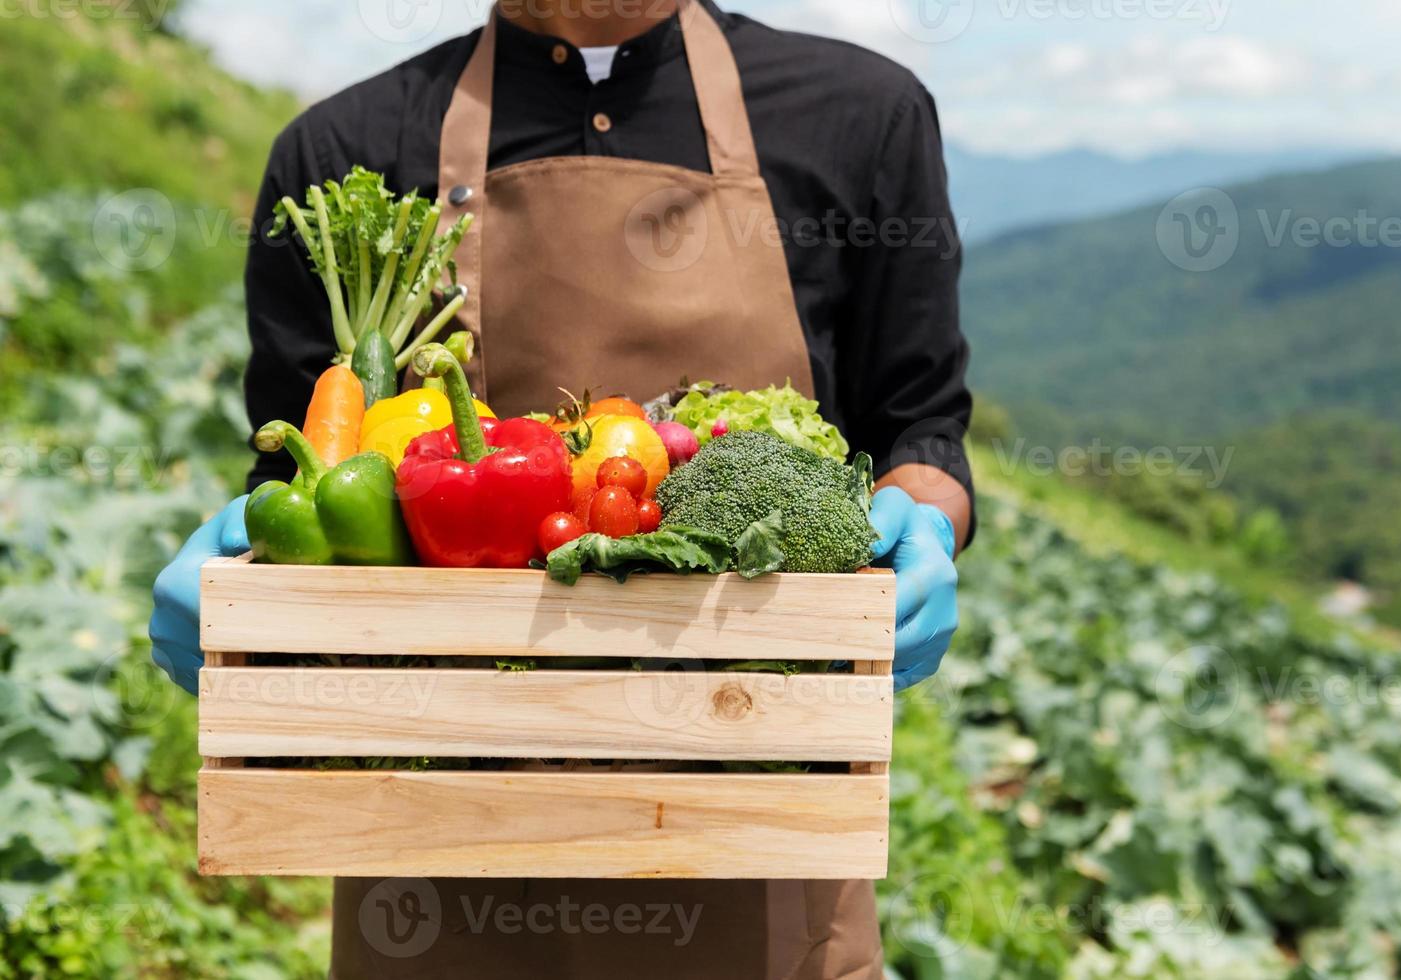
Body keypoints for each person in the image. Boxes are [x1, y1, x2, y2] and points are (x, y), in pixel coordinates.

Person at [149, 0, 972, 975]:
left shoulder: (859, 117)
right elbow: (303, 482)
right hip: (428, 853)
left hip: (765, 848)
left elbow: (919, 425)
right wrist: (245, 572)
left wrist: (922, 518)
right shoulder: (342, 151)